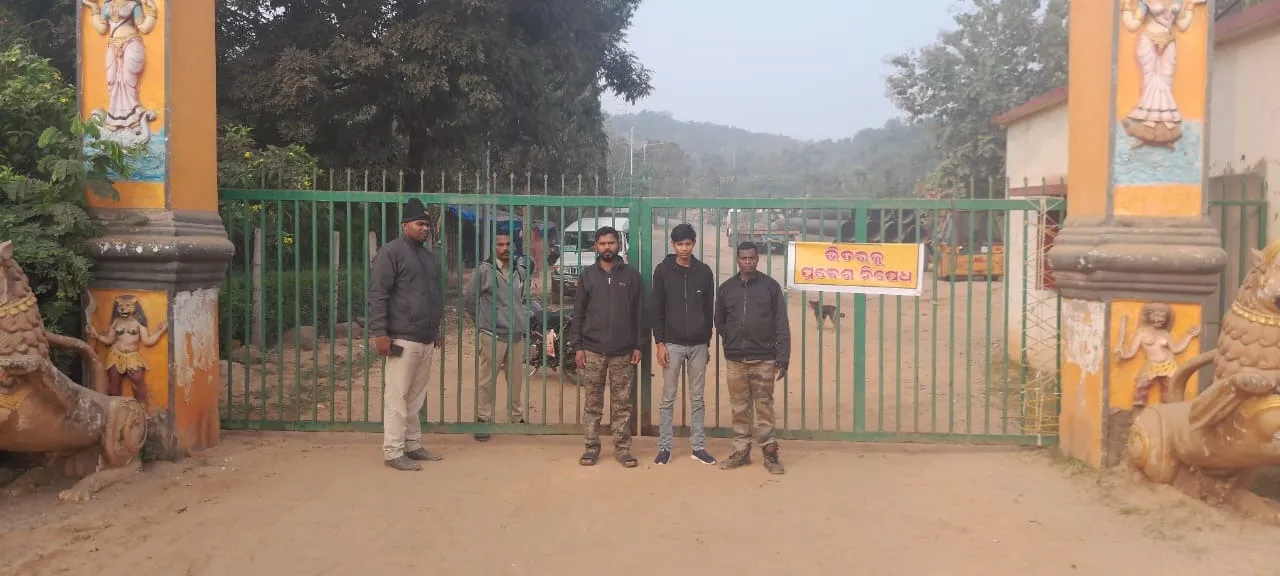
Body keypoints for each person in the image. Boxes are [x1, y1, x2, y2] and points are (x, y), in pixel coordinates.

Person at [368, 198, 446, 471]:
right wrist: (380, 333)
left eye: (427, 224)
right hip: (401, 337)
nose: (425, 228)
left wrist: (435, 330)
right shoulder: (391, 252)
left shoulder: (427, 256)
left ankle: (413, 445)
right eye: (419, 224)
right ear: (405, 225)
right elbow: (378, 294)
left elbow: (432, 296)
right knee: (397, 397)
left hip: (424, 338)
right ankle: (393, 450)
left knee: (415, 397)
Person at [568, 226, 646, 468]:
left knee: (622, 404)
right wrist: (578, 346)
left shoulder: (632, 276)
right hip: (592, 350)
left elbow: (641, 314)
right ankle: (591, 448)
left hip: (623, 352)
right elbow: (578, 313)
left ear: (618, 245)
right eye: (602, 244)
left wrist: (639, 345)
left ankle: (623, 449)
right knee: (593, 403)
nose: (607, 247)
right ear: (596, 247)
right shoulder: (588, 276)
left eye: (611, 243)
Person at [714, 241, 790, 474]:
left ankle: (770, 453)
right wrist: (730, 340)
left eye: (751, 258)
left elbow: (781, 323)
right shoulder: (727, 288)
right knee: (739, 407)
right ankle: (741, 451)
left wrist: (782, 357)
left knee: (764, 407)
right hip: (736, 359)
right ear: (737, 260)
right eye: (743, 258)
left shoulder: (770, 287)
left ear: (758, 259)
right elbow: (720, 320)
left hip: (764, 358)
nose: (748, 262)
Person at [650, 224, 717, 465]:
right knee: (668, 398)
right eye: (680, 244)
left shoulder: (704, 272)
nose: (684, 248)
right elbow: (656, 309)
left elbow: (708, 308)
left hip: (698, 344)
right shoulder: (663, 271)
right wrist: (659, 343)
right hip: (672, 343)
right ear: (673, 245)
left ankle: (698, 447)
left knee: (697, 399)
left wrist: (707, 342)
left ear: (694, 243)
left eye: (688, 243)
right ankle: (665, 447)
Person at [464, 232, 530, 442]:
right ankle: (484, 420)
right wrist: (482, 322)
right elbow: (469, 298)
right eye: (500, 244)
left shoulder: (519, 271)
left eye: (508, 244)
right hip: (492, 335)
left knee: (516, 379)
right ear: (494, 247)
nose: (505, 248)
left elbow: (520, 299)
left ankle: (516, 418)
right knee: (487, 380)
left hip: (516, 335)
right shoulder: (484, 270)